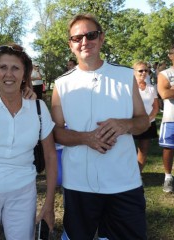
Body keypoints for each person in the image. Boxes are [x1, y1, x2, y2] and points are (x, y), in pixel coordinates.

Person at [51, 14, 149, 239]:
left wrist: (125, 124)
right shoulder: (61, 83)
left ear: (101, 38)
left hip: (124, 181)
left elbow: (143, 121)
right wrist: (87, 138)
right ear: (71, 45)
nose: (84, 41)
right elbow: (56, 132)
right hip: (79, 183)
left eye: (90, 35)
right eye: (77, 38)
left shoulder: (125, 76)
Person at [0, 43, 57, 239]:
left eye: (15, 68)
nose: (9, 74)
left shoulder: (38, 108)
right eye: (2, 67)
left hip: (23, 192)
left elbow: (50, 155)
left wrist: (49, 202)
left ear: (25, 74)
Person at [132, 61, 159, 173]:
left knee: (143, 150)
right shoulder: (128, 87)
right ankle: (125, 174)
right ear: (134, 72)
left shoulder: (151, 88)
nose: (143, 73)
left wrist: (147, 120)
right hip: (131, 123)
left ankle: (137, 175)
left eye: (146, 70)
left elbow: (156, 107)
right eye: (140, 70)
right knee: (127, 150)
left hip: (148, 123)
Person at [157, 45, 174, 193]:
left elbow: (170, 91)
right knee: (168, 148)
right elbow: (164, 94)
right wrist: (169, 90)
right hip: (171, 118)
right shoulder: (165, 74)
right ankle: (168, 177)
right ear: (170, 55)